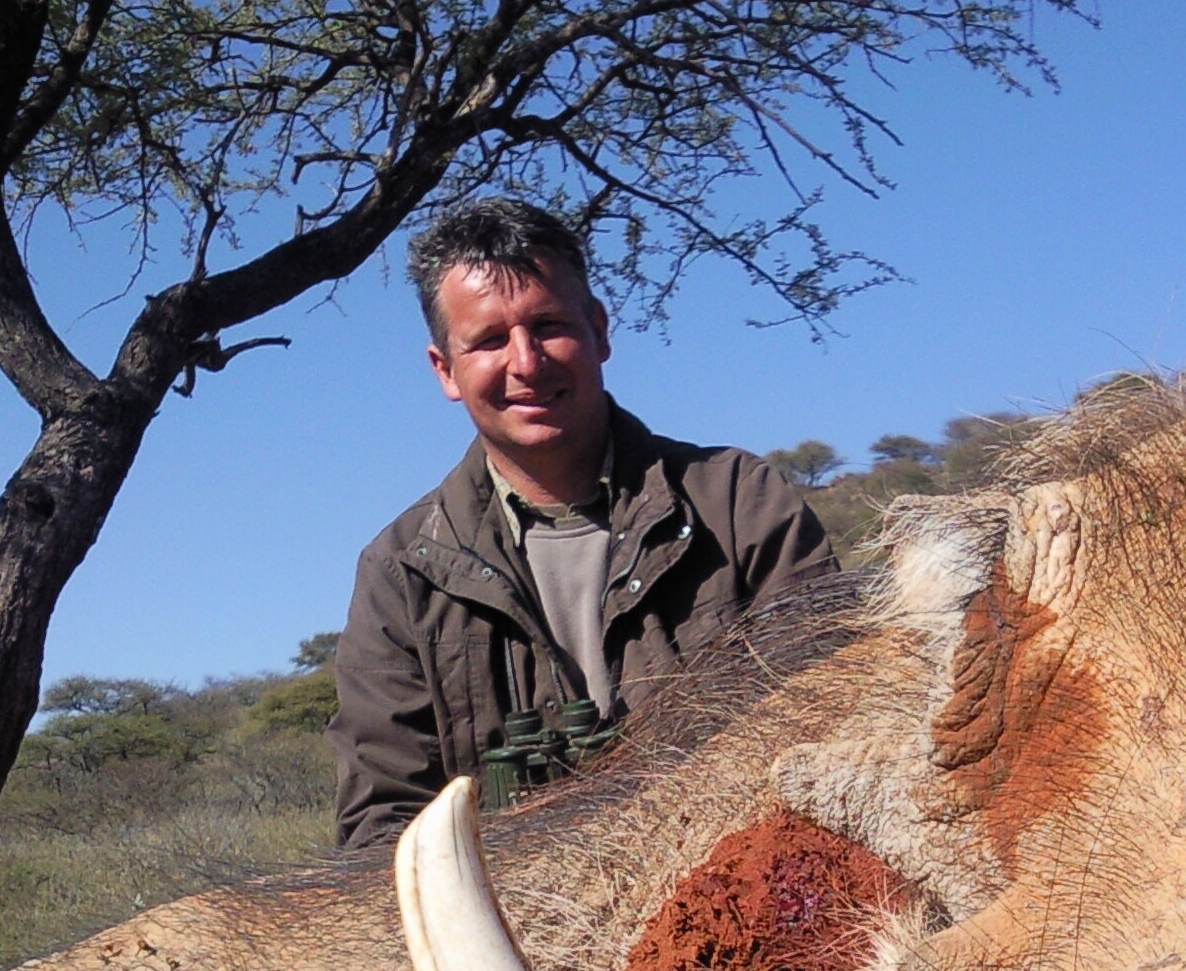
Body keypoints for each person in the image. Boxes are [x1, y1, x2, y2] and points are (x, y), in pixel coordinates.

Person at [330, 198, 837, 849]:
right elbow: (382, 819)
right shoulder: (401, 570)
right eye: (487, 340)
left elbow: (831, 726)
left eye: (547, 325)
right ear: (444, 370)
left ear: (598, 330)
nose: (525, 362)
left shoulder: (741, 501)